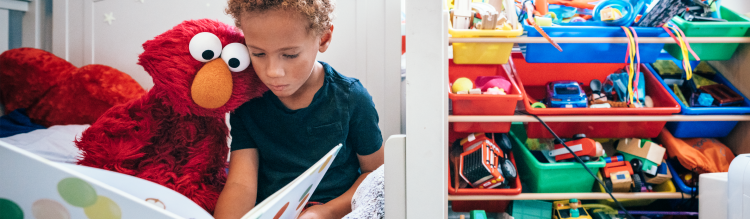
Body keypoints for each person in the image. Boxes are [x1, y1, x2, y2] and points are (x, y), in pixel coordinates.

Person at [214, 1, 385, 218]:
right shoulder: (248, 103)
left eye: (290, 55)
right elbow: (240, 184)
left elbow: (375, 176)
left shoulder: (351, 98)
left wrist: (326, 212)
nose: (273, 72)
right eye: (258, 54)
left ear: (323, 38)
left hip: (338, 211)